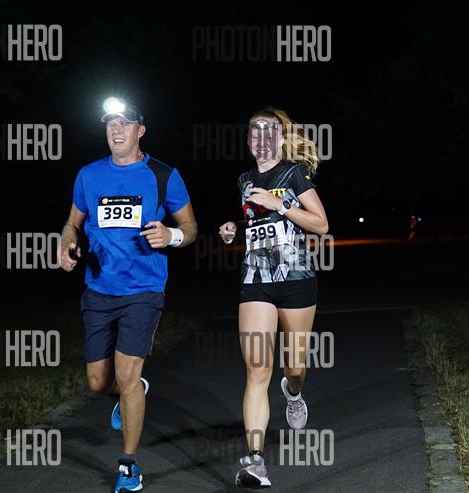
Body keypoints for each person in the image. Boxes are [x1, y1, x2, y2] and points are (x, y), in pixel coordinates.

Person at [60, 97, 197, 493]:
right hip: (99, 291)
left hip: (143, 289)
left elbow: (190, 227)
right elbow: (72, 223)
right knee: (97, 382)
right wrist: (66, 242)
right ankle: (130, 392)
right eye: (110, 123)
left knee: (127, 374)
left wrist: (171, 235)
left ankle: (129, 466)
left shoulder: (163, 175)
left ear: (141, 130)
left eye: (125, 123)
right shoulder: (89, 175)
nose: (116, 130)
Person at [218, 107, 329, 488]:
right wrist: (234, 229)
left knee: (294, 367)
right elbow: (256, 221)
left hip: (296, 280)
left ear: (280, 140)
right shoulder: (244, 179)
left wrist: (280, 203)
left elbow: (321, 224)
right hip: (256, 281)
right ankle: (256, 461)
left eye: (268, 133)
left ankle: (293, 392)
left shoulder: (294, 174)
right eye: (254, 133)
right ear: (249, 141)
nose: (260, 140)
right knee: (257, 371)